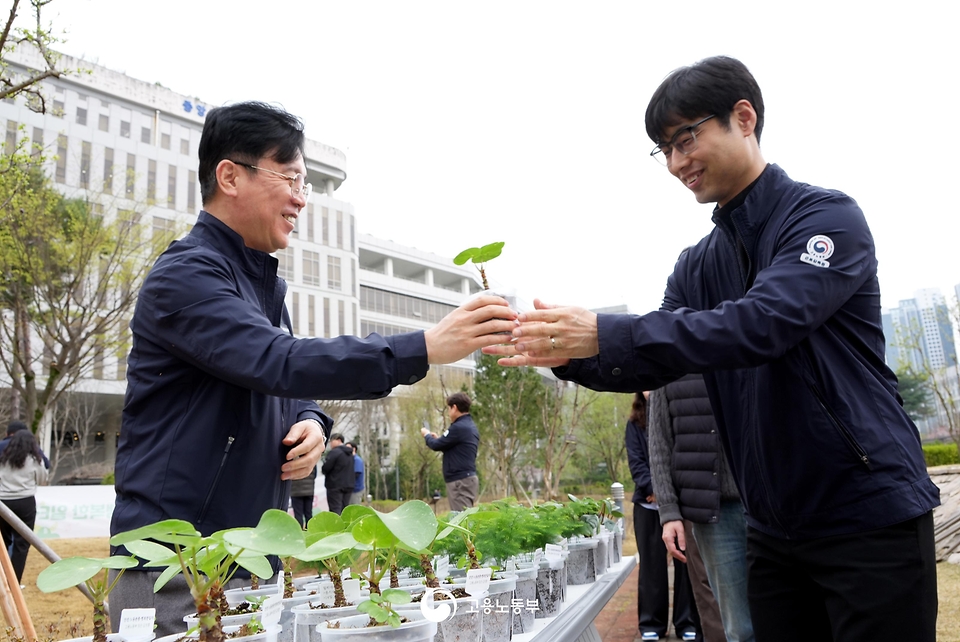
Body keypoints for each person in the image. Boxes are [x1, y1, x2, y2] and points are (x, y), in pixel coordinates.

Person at [487, 56, 940, 641]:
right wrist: (565, 354)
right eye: (664, 150)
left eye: (686, 139)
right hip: (772, 529)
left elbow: (762, 323)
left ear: (743, 118)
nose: (677, 163)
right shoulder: (697, 265)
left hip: (867, 513)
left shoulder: (824, 218)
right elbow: (657, 354)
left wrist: (604, 330)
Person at [108, 101, 518, 634]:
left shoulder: (259, 287)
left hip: (247, 559)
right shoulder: (186, 276)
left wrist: (311, 421)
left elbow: (281, 379)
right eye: (290, 178)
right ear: (229, 176)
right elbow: (276, 360)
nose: (301, 198)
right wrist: (423, 347)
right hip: (176, 567)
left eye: (304, 183)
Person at [649, 374, 753, 642]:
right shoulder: (670, 361)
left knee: (785, 615)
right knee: (739, 627)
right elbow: (659, 443)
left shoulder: (752, 350)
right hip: (715, 515)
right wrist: (669, 512)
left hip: (768, 505)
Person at [626, 392, 700, 642]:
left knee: (686, 563)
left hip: (681, 504)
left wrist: (671, 493)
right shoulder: (634, 423)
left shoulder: (679, 411)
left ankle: (686, 622)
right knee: (651, 566)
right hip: (647, 506)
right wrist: (656, 490)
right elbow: (637, 464)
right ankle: (652, 623)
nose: (651, 390)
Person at [0, 429, 48, 582]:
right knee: (22, 544)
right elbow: (42, 480)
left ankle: (3, 582)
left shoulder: (3, 459)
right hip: (25, 502)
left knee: (3, 544)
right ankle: (15, 582)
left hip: (3, 503)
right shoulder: (35, 460)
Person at [421, 392, 479, 511]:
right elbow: (453, 447)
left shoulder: (458, 427)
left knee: (460, 518)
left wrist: (427, 435)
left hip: (460, 482)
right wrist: (438, 439)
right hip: (465, 479)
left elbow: (435, 445)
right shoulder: (469, 426)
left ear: (454, 408)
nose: (448, 413)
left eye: (448, 408)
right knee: (464, 515)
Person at [321, 434, 354, 515]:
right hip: (348, 485)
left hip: (335, 485)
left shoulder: (335, 452)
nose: (330, 443)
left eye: (332, 441)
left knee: (335, 510)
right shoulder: (350, 454)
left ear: (339, 440)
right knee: (345, 510)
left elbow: (326, 468)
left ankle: (337, 524)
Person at [346, 441, 365, 505]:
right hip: (351, 490)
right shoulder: (351, 459)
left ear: (354, 449)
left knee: (354, 507)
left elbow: (356, 474)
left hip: (356, 490)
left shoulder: (357, 460)